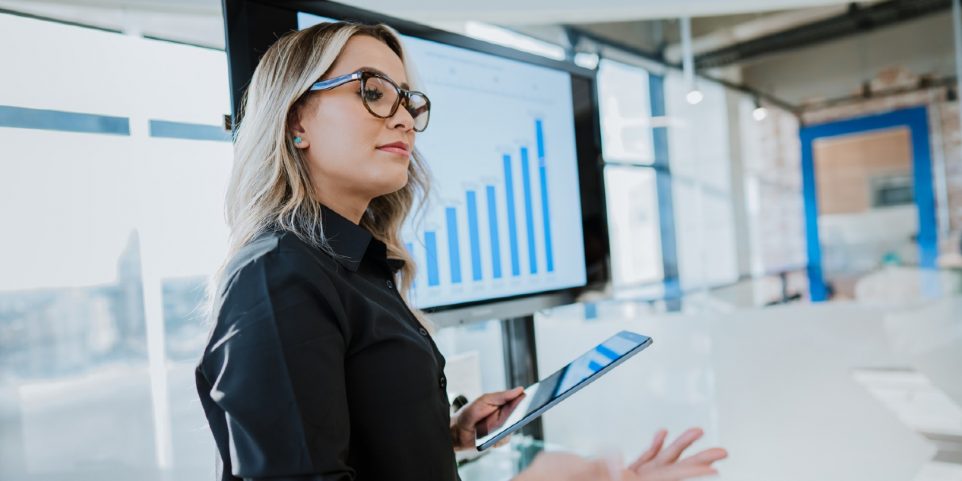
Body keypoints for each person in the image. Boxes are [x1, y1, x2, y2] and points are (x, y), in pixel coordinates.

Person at [195, 20, 727, 481]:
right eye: (374, 92)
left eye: (408, 101)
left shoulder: (357, 267)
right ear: (295, 121)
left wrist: (445, 432)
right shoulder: (279, 276)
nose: (404, 118)